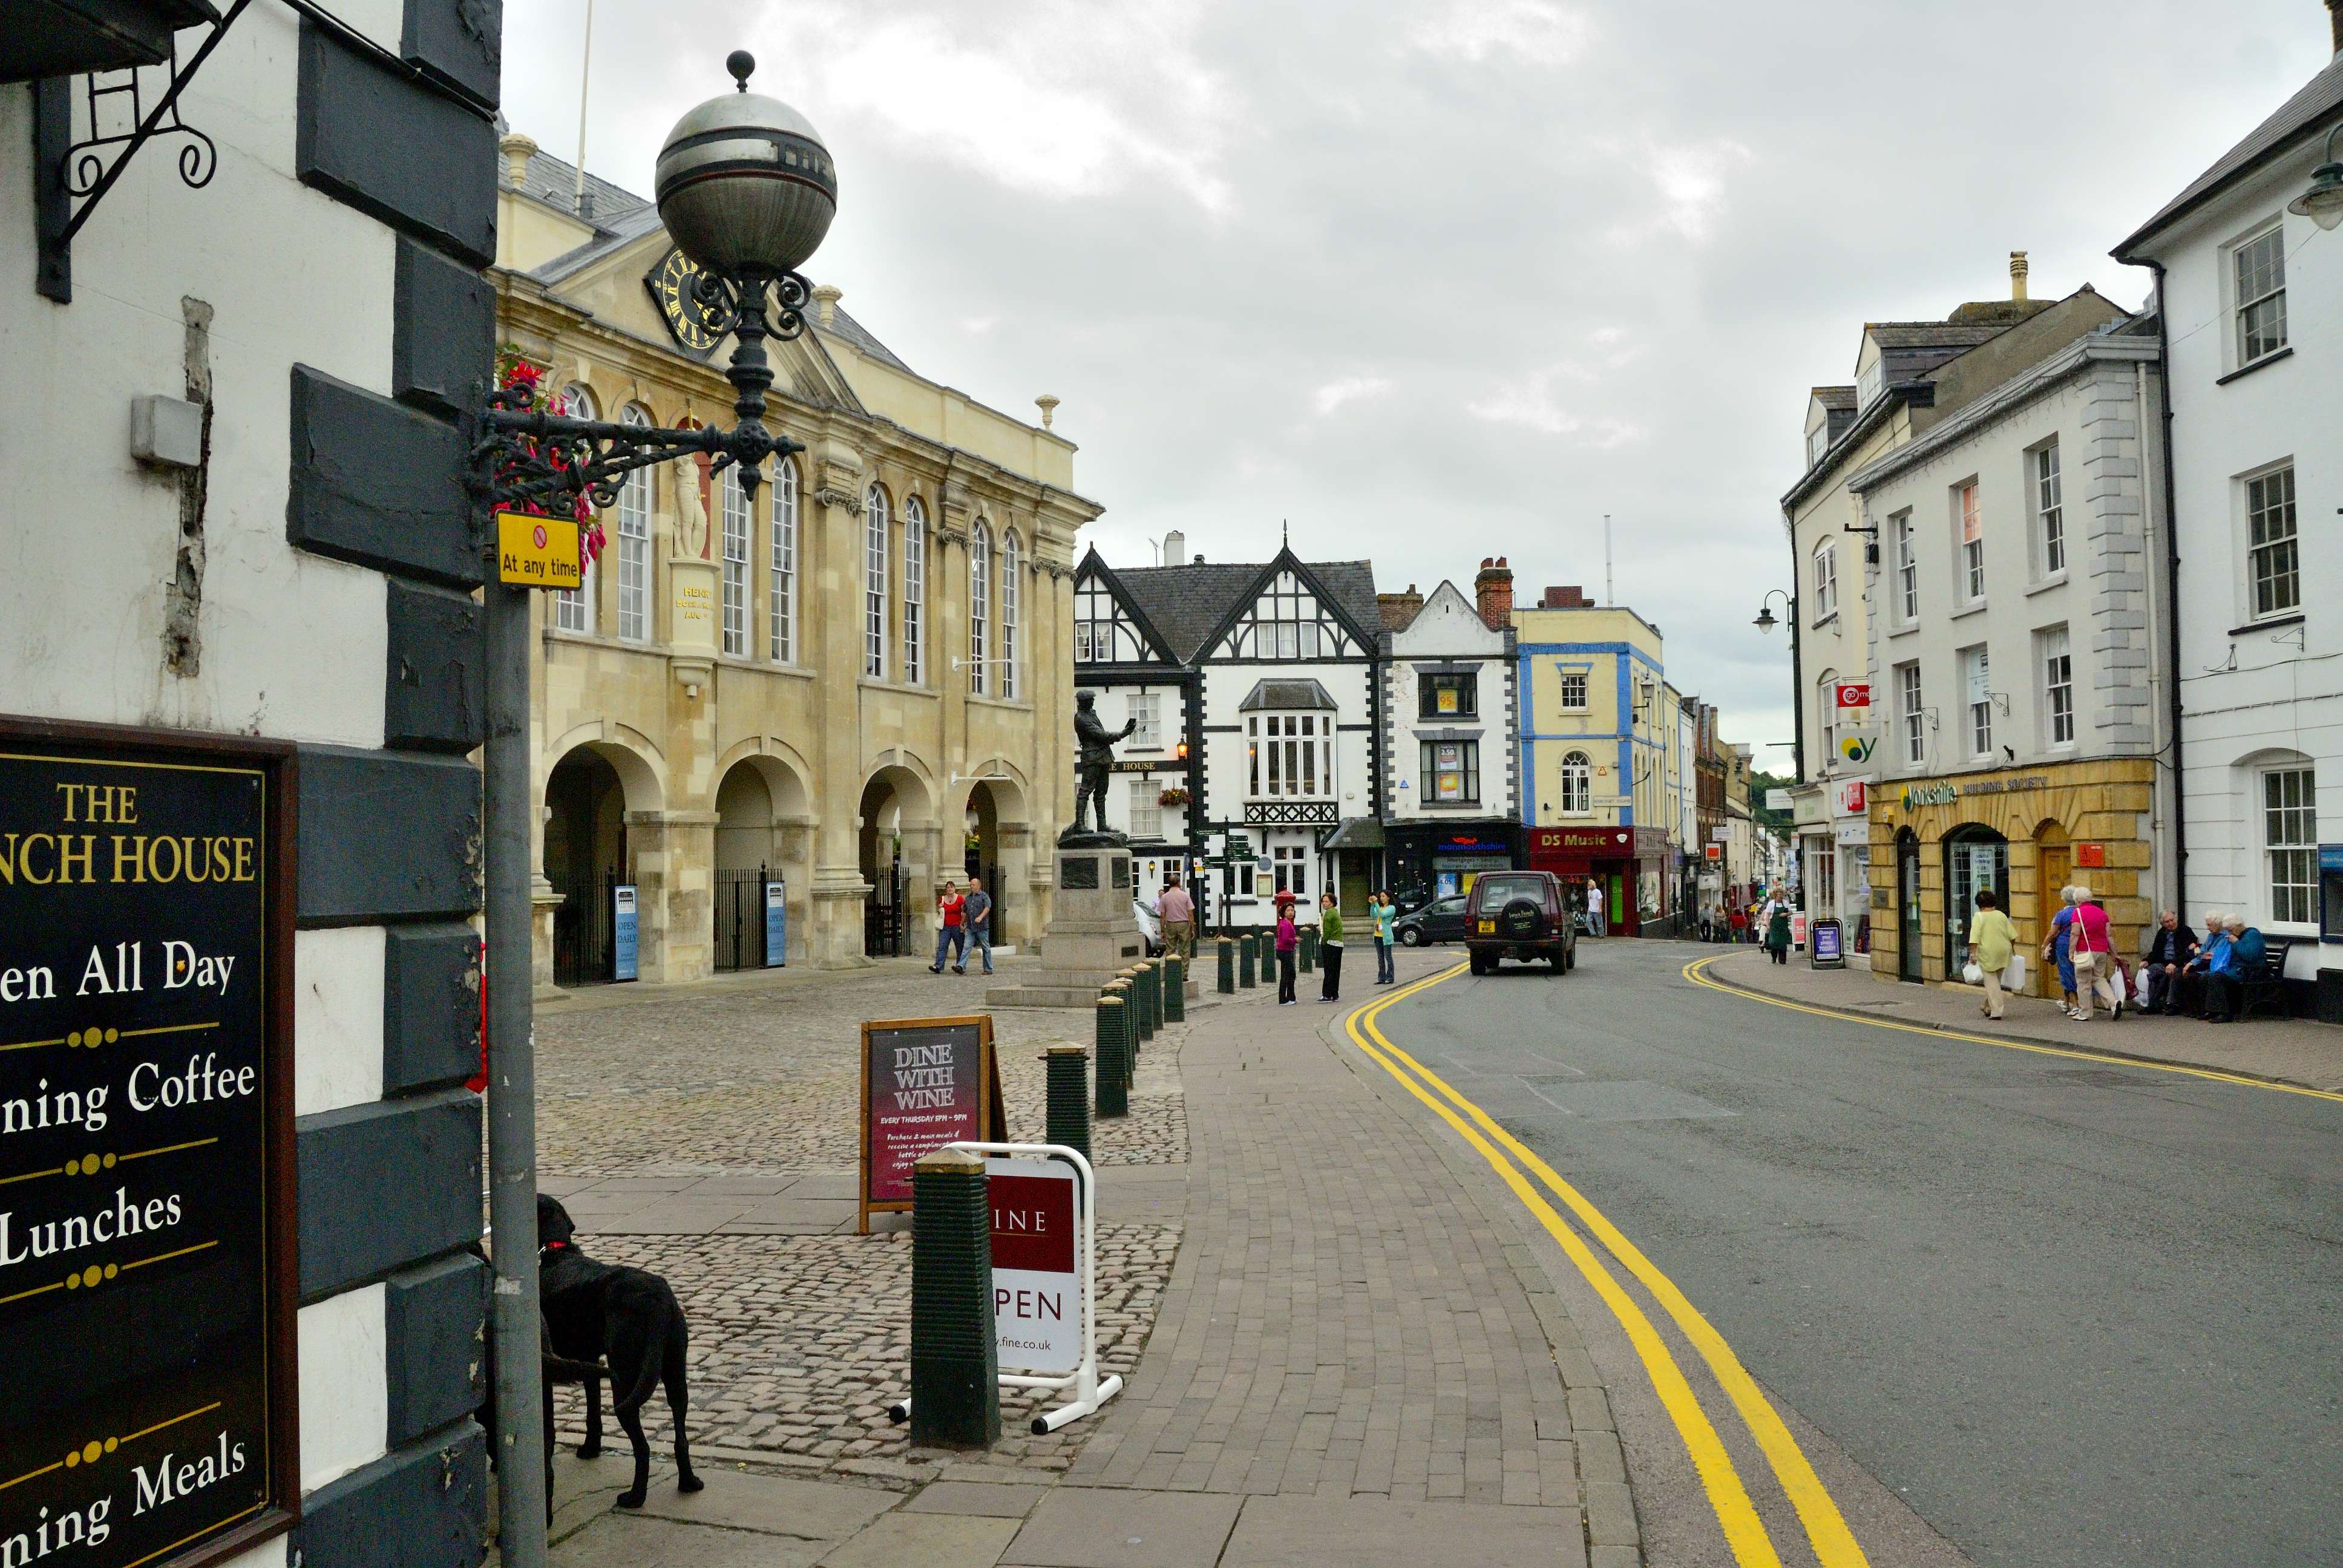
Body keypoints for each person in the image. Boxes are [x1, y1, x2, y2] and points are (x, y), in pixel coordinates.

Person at [2067, 886, 2120, 1021]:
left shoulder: (2078, 913)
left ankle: (2085, 1013)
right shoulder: (2102, 913)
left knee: (2083, 982)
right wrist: (2115, 954)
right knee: (2098, 978)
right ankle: (2114, 1003)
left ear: (2078, 900)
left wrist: (2071, 952)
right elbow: (2109, 936)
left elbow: (2075, 933)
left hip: (2084, 951)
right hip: (2101, 951)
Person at [1965, 889, 2016, 1021]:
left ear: (1979, 904)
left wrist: (1973, 954)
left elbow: (1975, 937)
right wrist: (2012, 948)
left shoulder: (1979, 916)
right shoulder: (2000, 915)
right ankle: (1987, 1006)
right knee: (1995, 982)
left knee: (1991, 983)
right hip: (2004, 950)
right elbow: (2012, 935)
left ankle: (1997, 1012)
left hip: (1988, 952)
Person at [2139, 909, 2199, 1016]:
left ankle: (2171, 1004)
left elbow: (2189, 953)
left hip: (2180, 963)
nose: (2171, 923)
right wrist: (2147, 960)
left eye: (2172, 920)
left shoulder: (2186, 931)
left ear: (2176, 919)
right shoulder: (2162, 933)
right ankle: (2151, 1003)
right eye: (2167, 922)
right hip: (2163, 963)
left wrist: (2174, 963)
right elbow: (2156, 952)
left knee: (2174, 973)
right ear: (2163, 924)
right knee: (2148, 973)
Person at [2042, 887, 2080, 1018]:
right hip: (2080, 945)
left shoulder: (2061, 914)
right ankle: (2066, 1002)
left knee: (2066, 973)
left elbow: (2052, 932)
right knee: (2075, 972)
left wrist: (2045, 945)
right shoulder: (2080, 912)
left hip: (2064, 946)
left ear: (2064, 899)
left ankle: (2076, 1005)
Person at [929, 880, 965, 974]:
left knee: (960, 947)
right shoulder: (942, 899)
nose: (950, 889)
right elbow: (940, 913)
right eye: (948, 887)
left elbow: (964, 911)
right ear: (946, 889)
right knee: (942, 946)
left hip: (957, 926)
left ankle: (960, 966)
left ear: (955, 888)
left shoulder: (960, 899)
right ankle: (938, 966)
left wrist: (963, 924)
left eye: (951, 887)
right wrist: (940, 907)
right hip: (945, 926)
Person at [960, 875, 993, 976]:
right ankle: (961, 966)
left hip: (982, 927)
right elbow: (965, 911)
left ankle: (988, 968)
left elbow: (987, 908)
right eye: (970, 885)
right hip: (970, 927)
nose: (971, 886)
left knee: (985, 948)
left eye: (973, 885)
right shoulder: (968, 898)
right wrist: (962, 923)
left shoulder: (984, 896)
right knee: (966, 947)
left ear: (979, 886)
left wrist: (981, 917)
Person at [1156, 875, 1194, 961]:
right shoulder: (1185, 896)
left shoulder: (1164, 897)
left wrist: (1163, 931)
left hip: (1170, 925)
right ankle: (1183, 973)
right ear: (1178, 883)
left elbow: (1162, 916)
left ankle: (1171, 971)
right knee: (1184, 951)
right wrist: (1192, 928)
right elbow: (1190, 914)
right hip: (1184, 925)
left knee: (1170, 950)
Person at [1317, 892, 1345, 1002]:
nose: (1324, 903)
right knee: (1335, 970)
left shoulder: (1329, 913)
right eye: (1323, 901)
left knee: (1329, 970)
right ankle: (1334, 994)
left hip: (1331, 944)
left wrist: (1323, 943)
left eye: (1327, 901)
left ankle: (1327, 995)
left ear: (1332, 903)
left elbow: (1327, 932)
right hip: (1338, 944)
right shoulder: (1335, 912)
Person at [1274, 897, 1299, 1005]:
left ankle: (1291, 997)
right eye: (1288, 911)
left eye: (1292, 910)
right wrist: (1295, 940)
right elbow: (1284, 939)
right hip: (1284, 951)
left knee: (1291, 974)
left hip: (1287, 951)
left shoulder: (1287, 923)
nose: (1290, 912)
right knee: (1287, 975)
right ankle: (1283, 999)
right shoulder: (1285, 923)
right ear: (1284, 912)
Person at [1372, 890, 1397, 985]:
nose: (1381, 898)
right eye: (1380, 897)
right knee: (1380, 958)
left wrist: (1376, 904)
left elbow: (1382, 915)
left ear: (1388, 898)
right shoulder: (1380, 907)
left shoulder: (1391, 908)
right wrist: (1372, 905)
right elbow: (1373, 915)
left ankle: (1390, 977)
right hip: (1378, 935)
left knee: (1388, 957)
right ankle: (1381, 978)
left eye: (1383, 896)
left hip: (1386, 936)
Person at [1764, 900, 1792, 964]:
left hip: (1783, 927)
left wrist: (1786, 914)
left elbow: (1791, 912)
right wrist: (1767, 924)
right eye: (1779, 894)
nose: (1780, 896)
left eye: (1781, 894)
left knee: (1783, 943)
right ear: (1775, 895)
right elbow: (1768, 915)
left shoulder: (1785, 903)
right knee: (1773, 942)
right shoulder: (1771, 904)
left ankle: (1782, 960)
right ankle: (1774, 957)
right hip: (1774, 927)